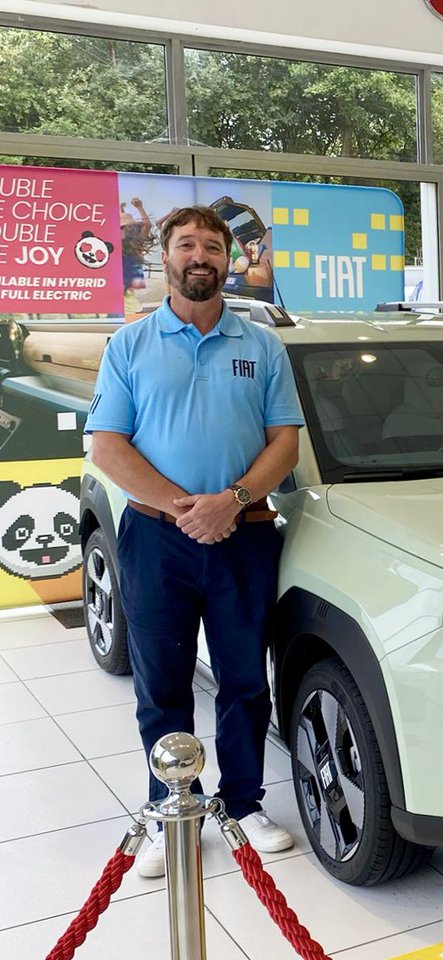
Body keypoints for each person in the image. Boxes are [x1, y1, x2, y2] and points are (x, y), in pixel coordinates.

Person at [86, 205, 305, 877]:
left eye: (212, 245)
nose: (200, 256)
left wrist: (229, 502)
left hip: (244, 537)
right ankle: (168, 808)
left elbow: (285, 443)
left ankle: (242, 803)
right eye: (187, 244)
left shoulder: (261, 346)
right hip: (158, 541)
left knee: (245, 680)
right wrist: (185, 510)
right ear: (167, 257)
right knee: (162, 683)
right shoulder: (130, 345)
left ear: (228, 259)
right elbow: (108, 446)